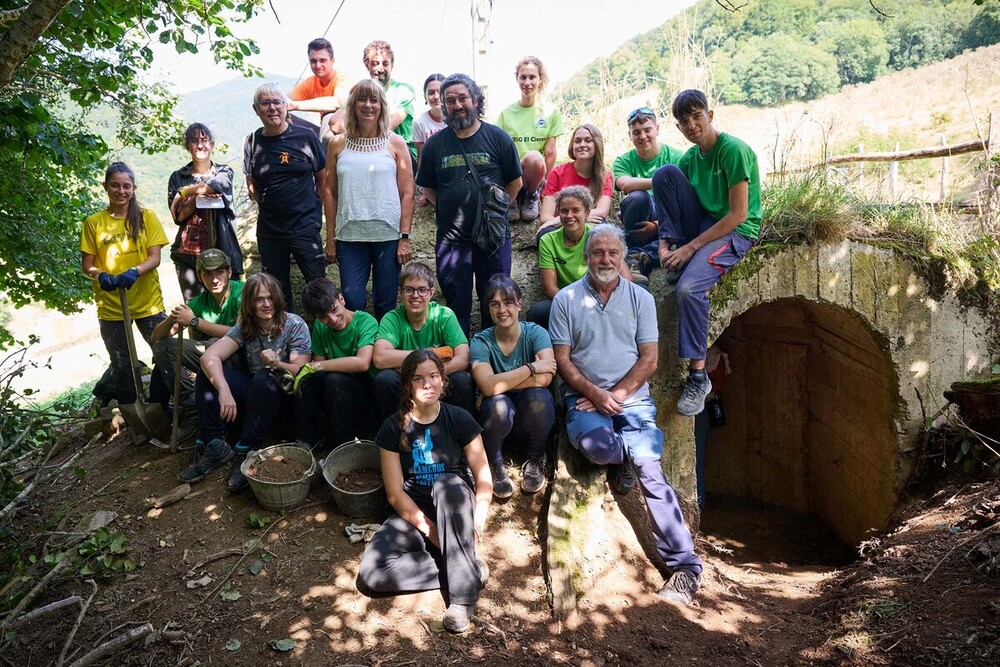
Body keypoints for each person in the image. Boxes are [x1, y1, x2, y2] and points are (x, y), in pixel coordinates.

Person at [548, 223, 704, 605]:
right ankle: (621, 454)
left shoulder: (640, 299)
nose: (605, 259)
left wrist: (613, 396)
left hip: (629, 398)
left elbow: (649, 360)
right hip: (585, 398)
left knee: (650, 467)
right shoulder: (566, 300)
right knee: (597, 447)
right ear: (586, 257)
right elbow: (563, 362)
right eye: (598, 252)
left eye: (612, 253)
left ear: (622, 258)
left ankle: (685, 568)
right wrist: (594, 393)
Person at [357, 349, 492, 633]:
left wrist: (477, 523)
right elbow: (395, 494)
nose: (427, 384)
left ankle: (462, 599)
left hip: (454, 503)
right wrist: (431, 530)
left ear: (443, 380)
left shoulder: (460, 418)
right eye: (418, 378)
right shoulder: (393, 428)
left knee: (446, 484)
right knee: (372, 573)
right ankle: (465, 566)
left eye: (433, 376)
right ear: (407, 385)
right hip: (415, 511)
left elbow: (483, 480)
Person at [653, 89, 760, 417]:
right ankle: (673, 251)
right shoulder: (690, 158)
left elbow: (738, 215)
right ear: (679, 127)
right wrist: (665, 244)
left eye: (696, 116)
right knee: (664, 174)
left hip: (735, 232)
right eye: (684, 121)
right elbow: (669, 194)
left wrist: (691, 248)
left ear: (710, 116)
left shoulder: (733, 150)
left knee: (688, 288)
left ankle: (698, 377)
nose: (691, 125)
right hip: (703, 225)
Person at [180, 273, 311, 491]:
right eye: (259, 299)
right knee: (208, 373)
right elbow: (209, 357)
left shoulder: (294, 324)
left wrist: (277, 363)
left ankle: (247, 450)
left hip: (285, 398)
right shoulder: (246, 327)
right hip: (256, 396)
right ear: (250, 302)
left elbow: (302, 370)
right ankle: (214, 446)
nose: (266, 304)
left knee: (264, 376)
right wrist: (224, 390)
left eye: (270, 298)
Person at [415, 73, 522, 337]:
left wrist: (493, 210)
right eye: (450, 100)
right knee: (456, 306)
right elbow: (426, 185)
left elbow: (515, 181)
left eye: (463, 98)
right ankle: (460, 365)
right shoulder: (434, 145)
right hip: (452, 241)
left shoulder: (498, 138)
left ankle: (491, 359)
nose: (457, 104)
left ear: (475, 99)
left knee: (495, 302)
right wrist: (448, 206)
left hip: (493, 239)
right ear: (443, 106)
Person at [325, 79, 414, 320]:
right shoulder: (337, 144)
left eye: (374, 100)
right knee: (353, 302)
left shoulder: (395, 143)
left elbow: (408, 192)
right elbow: (330, 193)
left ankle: (384, 354)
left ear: (382, 106)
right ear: (353, 105)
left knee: (386, 301)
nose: (368, 105)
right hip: (349, 236)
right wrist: (330, 238)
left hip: (387, 236)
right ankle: (362, 354)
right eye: (362, 99)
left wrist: (404, 237)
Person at [80, 162, 168, 406]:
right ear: (105, 187)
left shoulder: (146, 217)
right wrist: (100, 275)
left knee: (165, 352)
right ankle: (133, 415)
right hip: (111, 305)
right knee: (121, 363)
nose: (121, 191)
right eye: (115, 185)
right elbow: (87, 264)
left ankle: (160, 404)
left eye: (126, 186)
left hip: (147, 301)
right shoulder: (93, 223)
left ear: (134, 188)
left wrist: (135, 271)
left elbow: (155, 257)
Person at [243, 82, 328, 312]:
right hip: (270, 230)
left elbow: (322, 178)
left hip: (304, 227)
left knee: (319, 287)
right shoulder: (252, 142)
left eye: (277, 102)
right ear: (256, 109)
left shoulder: (306, 137)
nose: (272, 108)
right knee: (276, 292)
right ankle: (286, 341)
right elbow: (252, 184)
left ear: (285, 106)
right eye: (266, 103)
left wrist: (312, 210)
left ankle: (325, 340)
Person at [470, 275, 556, 498]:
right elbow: (488, 388)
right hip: (498, 419)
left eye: (508, 302)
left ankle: (536, 456)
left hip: (531, 415)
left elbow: (546, 378)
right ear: (488, 309)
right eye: (495, 304)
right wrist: (531, 368)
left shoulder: (536, 333)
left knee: (539, 396)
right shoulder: (481, 341)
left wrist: (497, 384)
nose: (502, 310)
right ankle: (495, 462)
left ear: (519, 303)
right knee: (497, 404)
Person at [150, 248, 245, 444]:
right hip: (211, 357)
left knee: (212, 344)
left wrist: (194, 322)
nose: (214, 279)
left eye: (219, 272)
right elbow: (156, 337)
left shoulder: (242, 292)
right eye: (208, 274)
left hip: (241, 358)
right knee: (162, 347)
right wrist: (173, 318)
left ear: (229, 272)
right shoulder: (200, 302)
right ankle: (190, 405)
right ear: (200, 277)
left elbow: (239, 332)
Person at [372, 263, 475, 421]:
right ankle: (398, 432)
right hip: (407, 384)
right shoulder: (392, 318)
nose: (415, 295)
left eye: (422, 290)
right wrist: (429, 355)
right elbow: (379, 358)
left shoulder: (444, 315)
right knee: (384, 379)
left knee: (462, 379)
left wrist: (430, 375)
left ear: (431, 292)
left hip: (439, 380)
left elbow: (463, 358)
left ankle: (460, 433)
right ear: (401, 293)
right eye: (409, 289)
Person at [526, 186, 632, 329]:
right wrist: (577, 307)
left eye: (576, 210)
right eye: (564, 211)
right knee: (539, 312)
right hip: (568, 299)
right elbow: (550, 288)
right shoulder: (548, 240)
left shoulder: (598, 235)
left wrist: (603, 303)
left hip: (603, 296)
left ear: (587, 213)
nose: (569, 216)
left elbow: (626, 278)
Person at [296, 277, 379, 451]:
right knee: (307, 379)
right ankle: (311, 438)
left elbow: (363, 363)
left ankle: (344, 445)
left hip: (365, 392)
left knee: (334, 379)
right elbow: (318, 366)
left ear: (341, 299)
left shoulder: (365, 322)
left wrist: (317, 366)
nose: (333, 319)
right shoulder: (320, 327)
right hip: (335, 394)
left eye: (334, 310)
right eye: (323, 317)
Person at [167, 122, 244, 302]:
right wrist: (200, 195)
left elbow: (219, 185)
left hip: (224, 254)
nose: (200, 145)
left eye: (204, 140)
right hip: (189, 257)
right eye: (194, 141)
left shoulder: (223, 171)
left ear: (212, 144)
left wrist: (185, 192)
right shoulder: (178, 177)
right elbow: (179, 216)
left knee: (228, 309)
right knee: (194, 309)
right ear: (187, 146)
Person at [612, 107, 684, 282]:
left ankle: (639, 256)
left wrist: (656, 226)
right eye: (636, 132)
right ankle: (637, 253)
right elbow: (624, 184)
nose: (642, 136)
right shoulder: (623, 161)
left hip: (666, 218)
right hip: (638, 217)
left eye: (647, 130)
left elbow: (685, 202)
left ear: (657, 129)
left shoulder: (677, 158)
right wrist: (663, 180)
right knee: (639, 197)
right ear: (630, 135)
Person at [495, 56, 563, 222]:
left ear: (541, 79)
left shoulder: (550, 112)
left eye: (532, 77)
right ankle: (512, 198)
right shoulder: (506, 113)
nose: (527, 82)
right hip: (511, 173)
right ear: (517, 79)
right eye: (523, 77)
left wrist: (546, 181)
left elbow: (550, 151)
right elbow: (497, 149)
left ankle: (531, 196)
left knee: (534, 156)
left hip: (534, 172)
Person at [536, 123, 613, 239]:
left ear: (597, 144)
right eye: (577, 141)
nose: (582, 145)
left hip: (586, 226)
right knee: (544, 233)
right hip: (562, 226)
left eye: (588, 140)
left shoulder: (605, 176)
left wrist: (581, 219)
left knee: (602, 227)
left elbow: (602, 211)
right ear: (572, 145)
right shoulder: (558, 173)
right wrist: (566, 220)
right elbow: (546, 217)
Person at [286, 38, 353, 146]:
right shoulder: (310, 83)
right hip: (323, 129)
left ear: (332, 60)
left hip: (347, 130)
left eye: (322, 60)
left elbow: (338, 102)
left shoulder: (342, 78)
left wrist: (295, 105)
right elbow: (286, 101)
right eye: (313, 61)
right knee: (283, 116)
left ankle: (327, 161)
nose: (317, 65)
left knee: (328, 116)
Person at [362, 40, 417, 165]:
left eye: (385, 63)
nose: (380, 69)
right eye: (375, 63)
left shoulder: (404, 90)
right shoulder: (358, 92)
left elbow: (387, 127)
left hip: (401, 152)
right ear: (367, 65)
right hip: (367, 147)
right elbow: (335, 121)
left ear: (392, 65)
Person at [412, 73, 446, 207]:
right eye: (431, 93)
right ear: (425, 96)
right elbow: (421, 158)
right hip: (433, 171)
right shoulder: (419, 122)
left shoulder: (455, 119)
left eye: (440, 91)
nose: (436, 96)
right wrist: (423, 188)